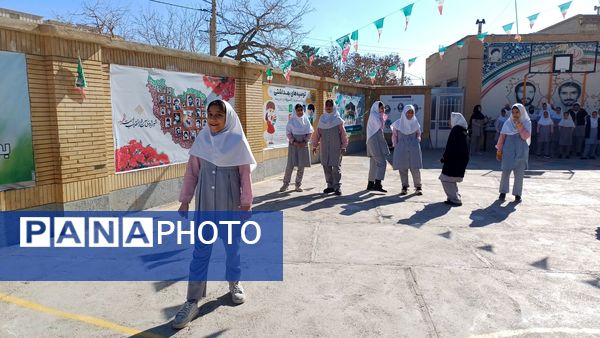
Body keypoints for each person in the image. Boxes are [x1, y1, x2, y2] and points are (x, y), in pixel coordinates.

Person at [173, 99, 256, 329]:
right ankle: (192, 300)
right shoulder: (202, 140)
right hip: (205, 207)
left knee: (232, 248)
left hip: (230, 207)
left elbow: (245, 176)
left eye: (219, 115)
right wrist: (185, 200)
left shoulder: (238, 141)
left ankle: (234, 283)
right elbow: (192, 173)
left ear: (227, 117)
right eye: (210, 114)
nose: (213, 119)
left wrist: (246, 204)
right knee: (200, 252)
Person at [312, 99, 348, 196]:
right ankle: (330, 186)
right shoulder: (322, 119)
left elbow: (343, 135)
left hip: (336, 148)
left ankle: (337, 187)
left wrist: (344, 146)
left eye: (330, 105)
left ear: (334, 107)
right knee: (326, 166)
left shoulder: (338, 120)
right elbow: (317, 134)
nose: (328, 107)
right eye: (327, 105)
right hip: (324, 148)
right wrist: (314, 145)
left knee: (336, 167)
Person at [496, 103, 531, 203]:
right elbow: (502, 137)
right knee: (506, 171)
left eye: (517, 112)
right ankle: (503, 192)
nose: (515, 114)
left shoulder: (527, 122)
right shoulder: (508, 123)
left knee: (519, 173)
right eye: (513, 112)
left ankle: (517, 194)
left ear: (522, 112)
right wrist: (499, 150)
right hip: (508, 150)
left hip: (521, 150)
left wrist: (519, 126)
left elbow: (525, 137)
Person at [391, 105, 423, 196]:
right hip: (401, 148)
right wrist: (396, 146)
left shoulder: (416, 123)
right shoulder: (397, 124)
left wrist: (417, 141)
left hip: (413, 148)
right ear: (404, 112)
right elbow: (394, 136)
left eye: (412, 112)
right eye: (408, 112)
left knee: (415, 168)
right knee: (402, 168)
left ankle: (418, 187)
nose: (410, 114)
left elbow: (418, 134)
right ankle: (404, 186)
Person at [280, 104, 313, 192]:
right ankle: (285, 184)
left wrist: (305, 141)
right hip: (293, 145)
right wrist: (293, 142)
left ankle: (298, 185)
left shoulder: (306, 120)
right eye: (298, 110)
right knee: (290, 165)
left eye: (301, 110)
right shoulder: (291, 121)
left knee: (301, 166)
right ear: (295, 111)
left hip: (303, 145)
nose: (300, 112)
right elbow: (288, 133)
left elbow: (310, 132)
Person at [439, 112, 470, 206]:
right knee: (451, 180)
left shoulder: (456, 130)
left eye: (450, 119)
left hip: (454, 160)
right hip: (460, 160)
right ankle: (453, 197)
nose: (449, 121)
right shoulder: (463, 130)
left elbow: (450, 146)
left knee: (445, 179)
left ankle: (455, 199)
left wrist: (445, 157)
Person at [366, 101, 390, 192]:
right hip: (373, 142)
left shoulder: (376, 115)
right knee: (382, 163)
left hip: (375, 141)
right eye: (381, 108)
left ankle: (371, 183)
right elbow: (379, 125)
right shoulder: (374, 116)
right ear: (376, 108)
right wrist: (382, 117)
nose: (383, 110)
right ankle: (378, 183)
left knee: (374, 164)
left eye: (383, 108)